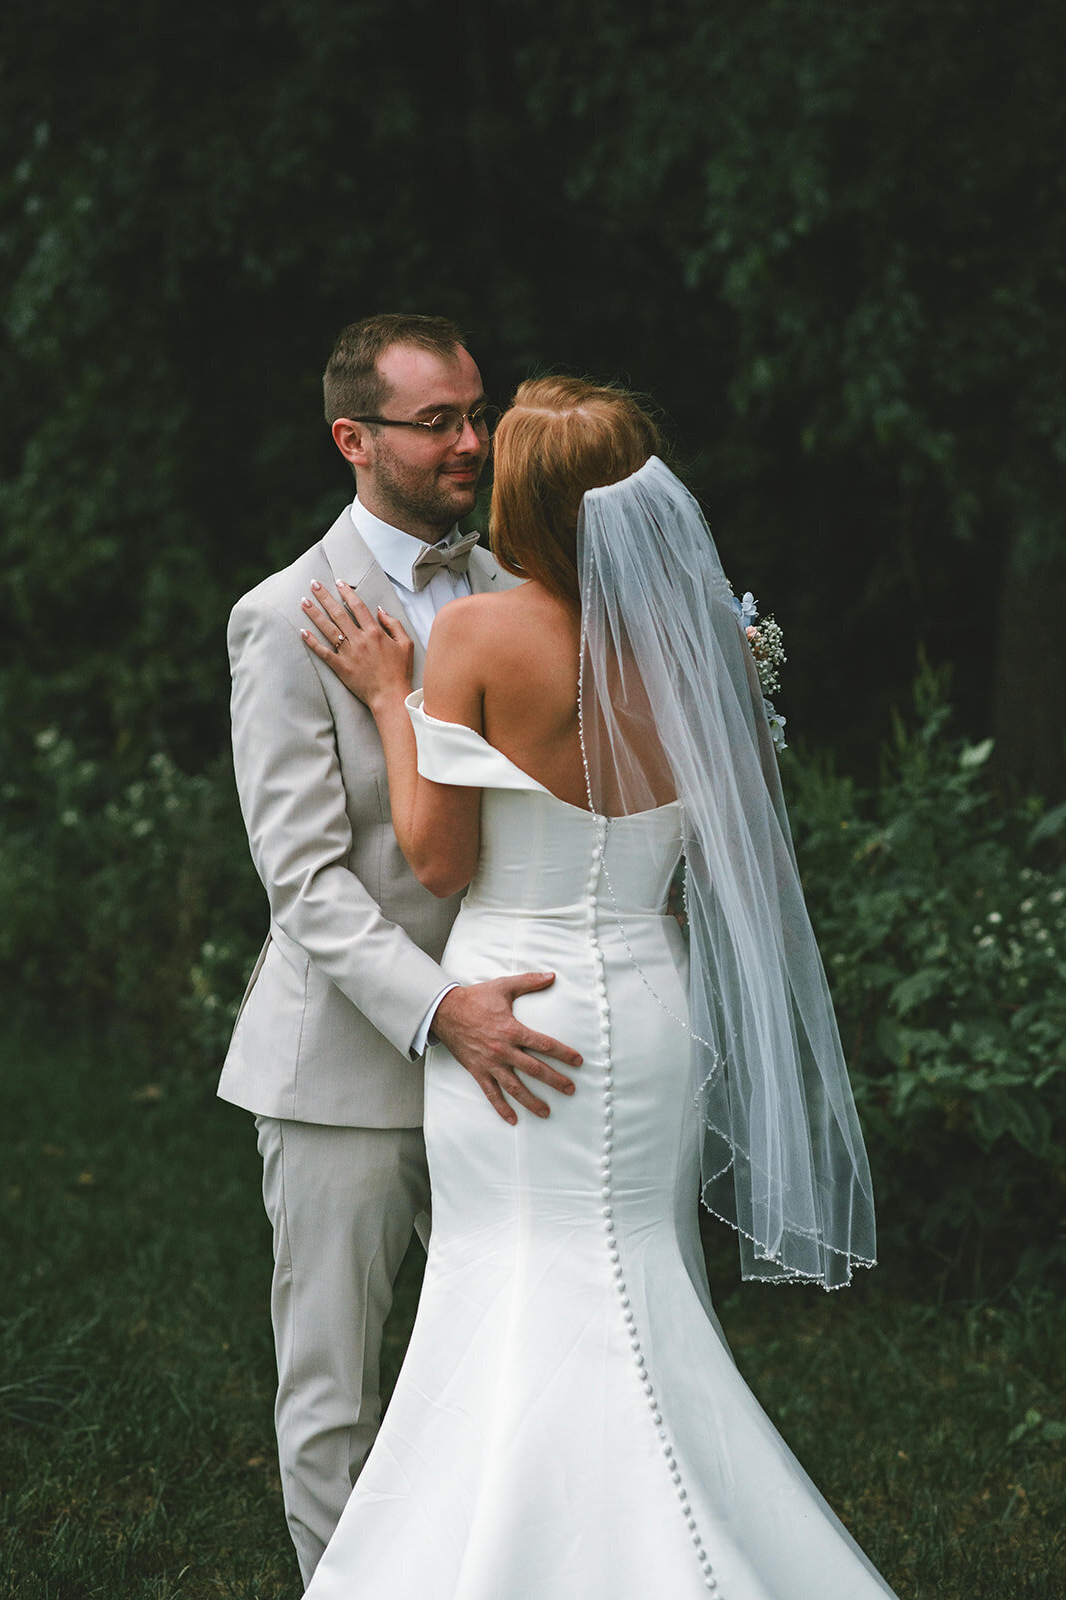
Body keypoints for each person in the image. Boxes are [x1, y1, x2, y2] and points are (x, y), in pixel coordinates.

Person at [295, 375, 898, 1598]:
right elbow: (712, 861)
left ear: (523, 501)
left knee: (506, 1278)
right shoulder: (709, 654)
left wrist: (385, 701)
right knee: (639, 1279)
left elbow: (440, 859)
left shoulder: (471, 636)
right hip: (650, 1003)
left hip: (512, 1006)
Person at [218, 317, 581, 1587]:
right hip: (351, 1068)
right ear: (352, 439)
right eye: (437, 422)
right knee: (336, 1386)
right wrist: (444, 1011)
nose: (470, 444)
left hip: (513, 1045)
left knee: (506, 1361)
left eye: (475, 415)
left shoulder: (515, 593)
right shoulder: (279, 618)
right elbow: (305, 881)